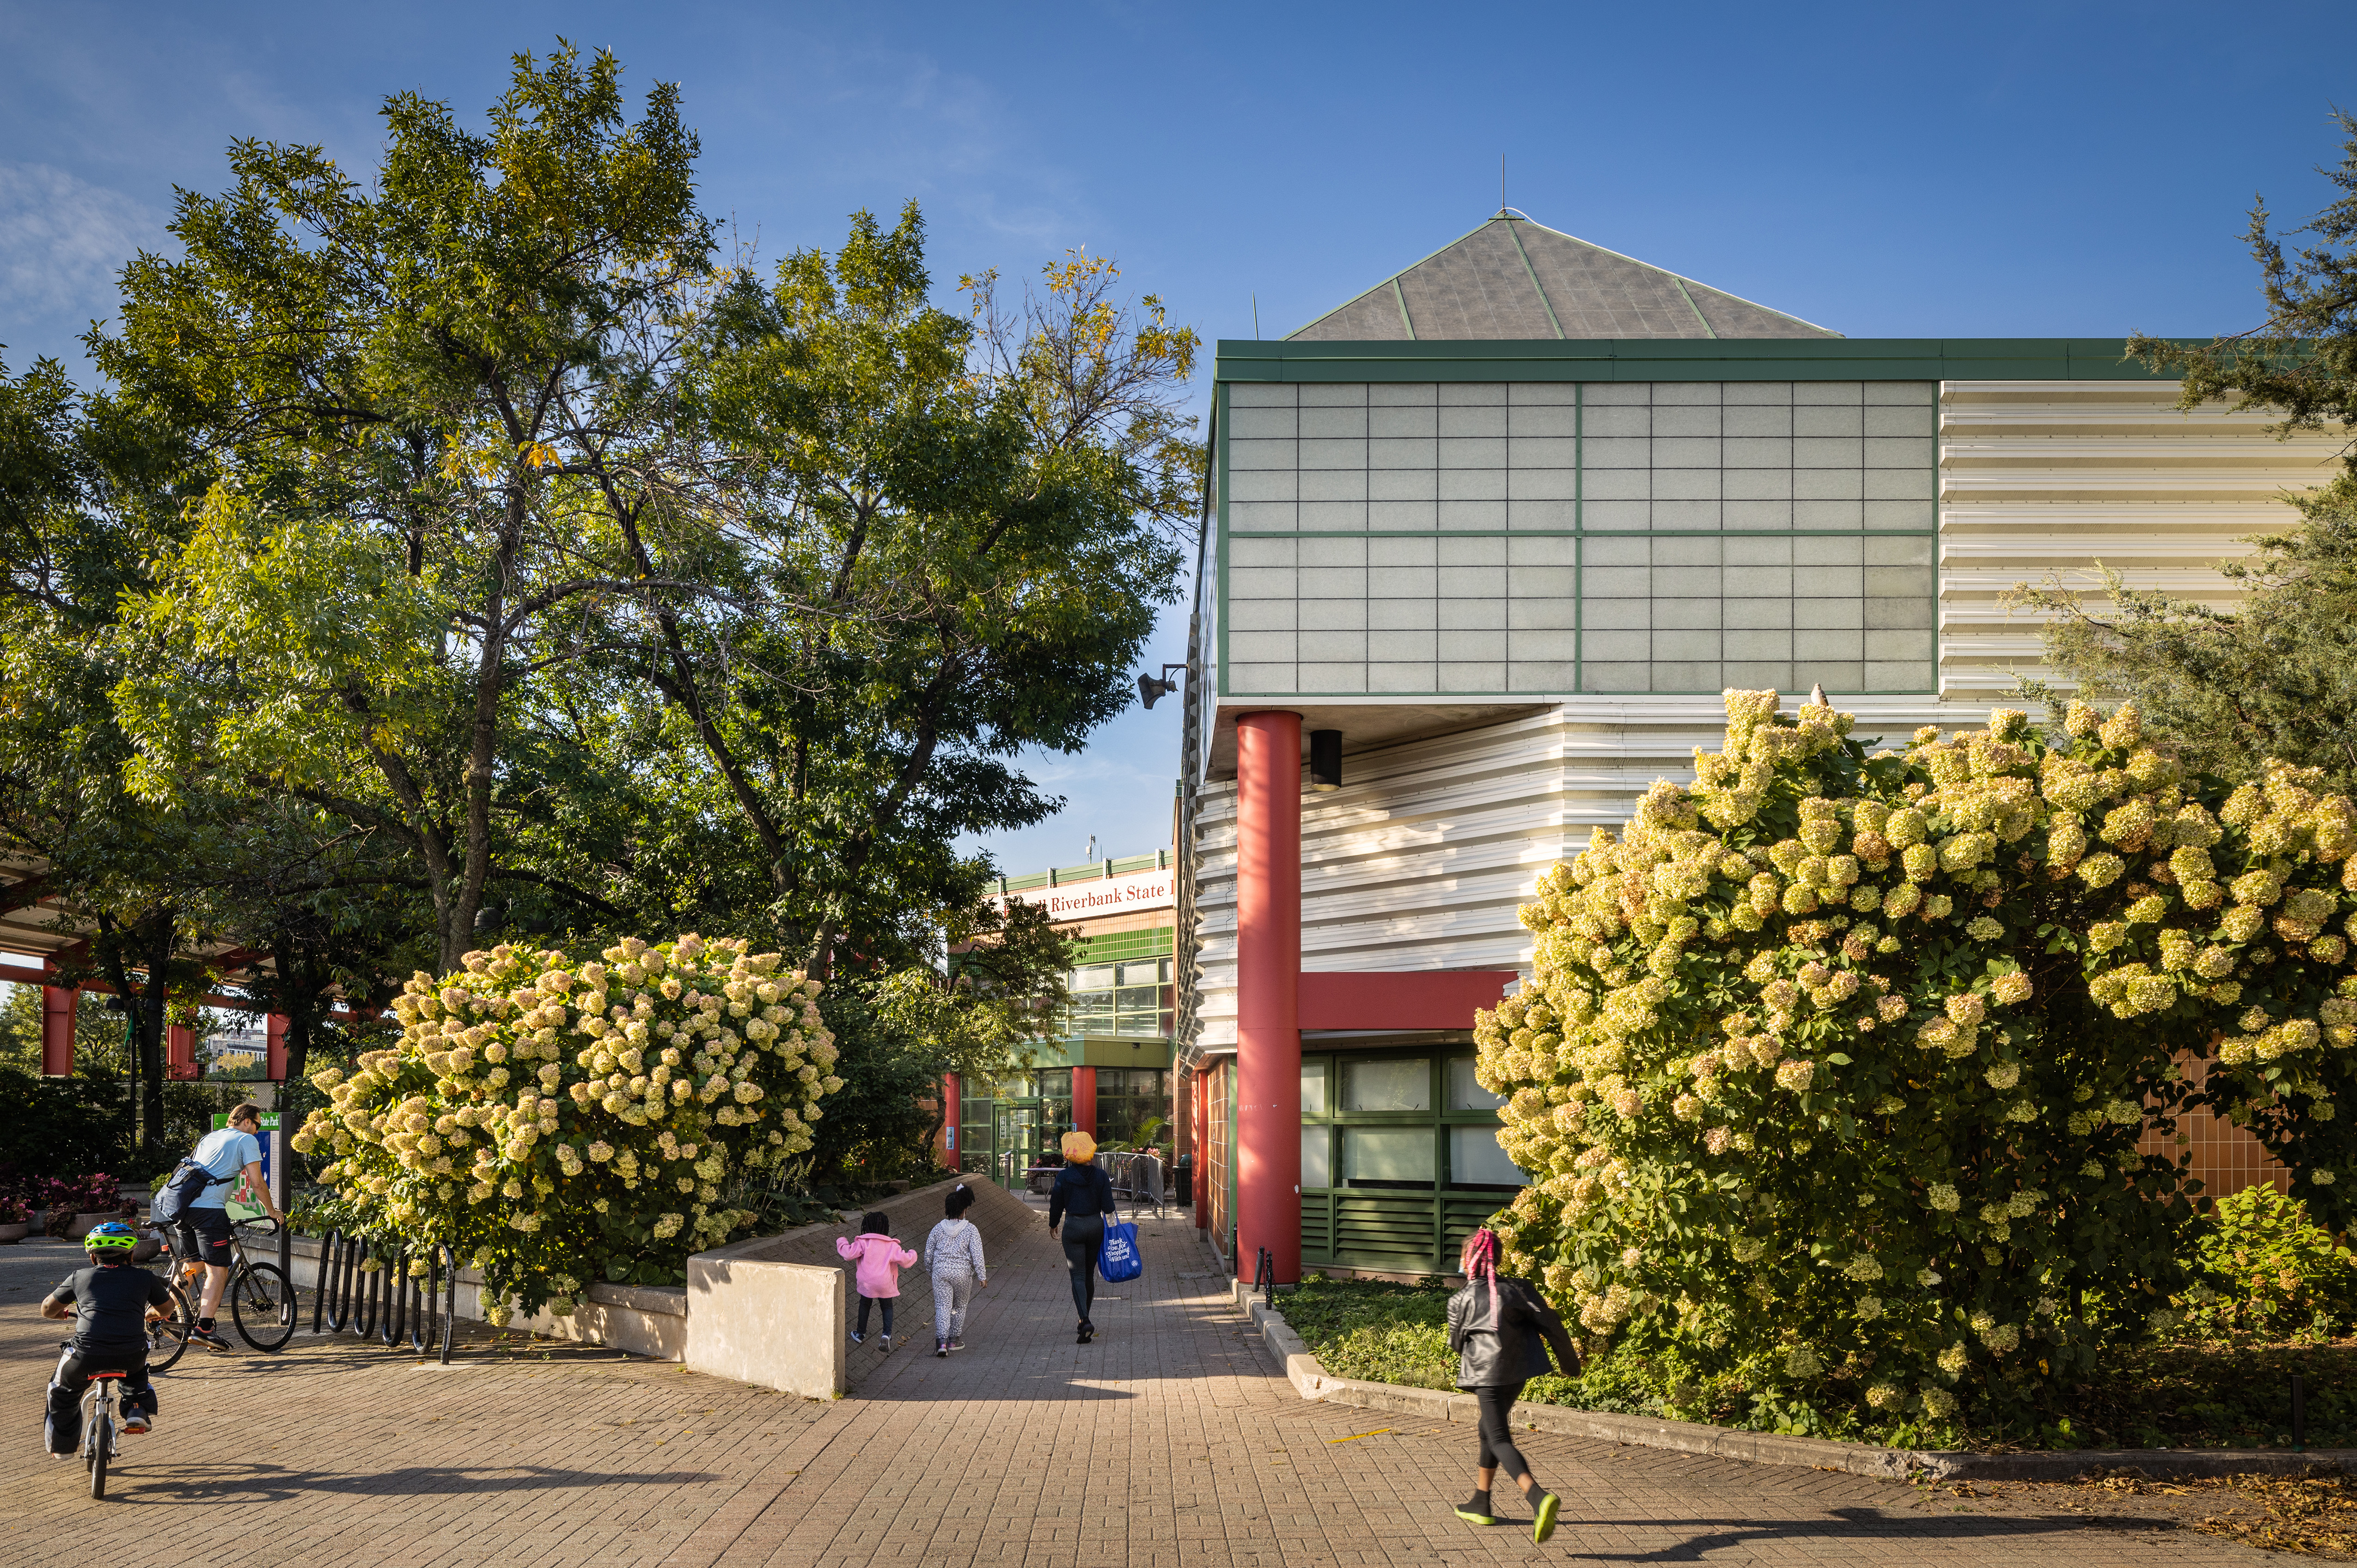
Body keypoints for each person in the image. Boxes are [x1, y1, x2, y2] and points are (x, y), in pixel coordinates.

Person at [1447, 1227, 1580, 1544]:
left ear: (1469, 1259)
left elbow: (1456, 1344)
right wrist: (1570, 1364)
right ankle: (1481, 1502)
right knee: (1487, 1429)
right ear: (1498, 1258)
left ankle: (1537, 1496)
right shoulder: (1520, 1289)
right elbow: (1552, 1324)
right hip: (1517, 1373)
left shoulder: (1460, 1299)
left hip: (1486, 1377)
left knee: (1498, 1437)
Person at [42, 1221, 170, 1457]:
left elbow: (47, 1309)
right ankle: (136, 1410)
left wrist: (60, 1314)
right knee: (137, 1375)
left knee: (61, 1391)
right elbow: (167, 1308)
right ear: (131, 1256)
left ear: (93, 1257)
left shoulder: (79, 1277)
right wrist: (152, 1313)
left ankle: (63, 1448)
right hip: (130, 1354)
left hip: (86, 1355)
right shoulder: (145, 1278)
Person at [175, 1102, 289, 1352]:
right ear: (247, 1121)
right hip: (209, 1212)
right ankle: (204, 1328)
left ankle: (163, 1311)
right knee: (218, 1270)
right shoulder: (246, 1140)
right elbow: (257, 1183)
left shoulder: (210, 1137)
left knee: (193, 1265)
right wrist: (273, 1212)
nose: (257, 1131)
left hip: (182, 1209)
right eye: (257, 1125)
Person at [1046, 1129, 1116, 1343]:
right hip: (1096, 1227)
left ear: (1069, 1154)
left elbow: (1056, 1204)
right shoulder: (1101, 1176)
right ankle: (1084, 1320)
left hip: (1074, 1227)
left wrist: (1053, 1224)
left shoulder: (1064, 1177)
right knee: (1088, 1274)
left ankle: (1084, 1320)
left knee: (1077, 1275)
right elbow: (1109, 1207)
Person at [923, 1183, 989, 1357]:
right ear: (964, 1210)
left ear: (947, 1209)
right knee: (959, 1307)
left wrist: (932, 1271)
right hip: (962, 1274)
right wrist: (982, 1276)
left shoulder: (937, 1229)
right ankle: (954, 1341)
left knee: (943, 1306)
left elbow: (928, 1254)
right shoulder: (971, 1230)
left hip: (940, 1272)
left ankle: (941, 1343)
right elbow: (977, 1254)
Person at [836, 1212, 917, 1352]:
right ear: (886, 1228)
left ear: (866, 1227)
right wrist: (913, 1253)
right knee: (887, 1307)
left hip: (867, 1283)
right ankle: (886, 1335)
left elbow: (848, 1254)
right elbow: (906, 1261)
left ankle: (860, 1334)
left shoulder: (863, 1242)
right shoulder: (891, 1245)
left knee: (865, 1305)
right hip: (885, 1283)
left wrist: (842, 1241)